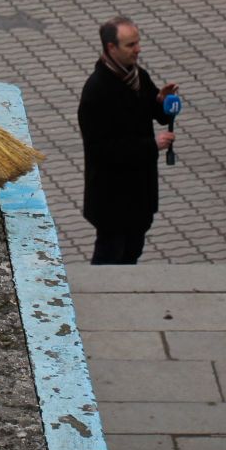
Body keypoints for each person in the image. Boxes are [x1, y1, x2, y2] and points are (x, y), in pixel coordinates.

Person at [77, 17, 179, 264]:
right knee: (109, 256)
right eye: (130, 44)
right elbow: (100, 150)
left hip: (139, 193)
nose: (138, 49)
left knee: (132, 250)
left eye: (137, 42)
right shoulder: (96, 91)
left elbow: (159, 116)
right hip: (112, 197)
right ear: (111, 48)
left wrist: (161, 102)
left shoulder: (137, 76)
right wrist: (151, 146)